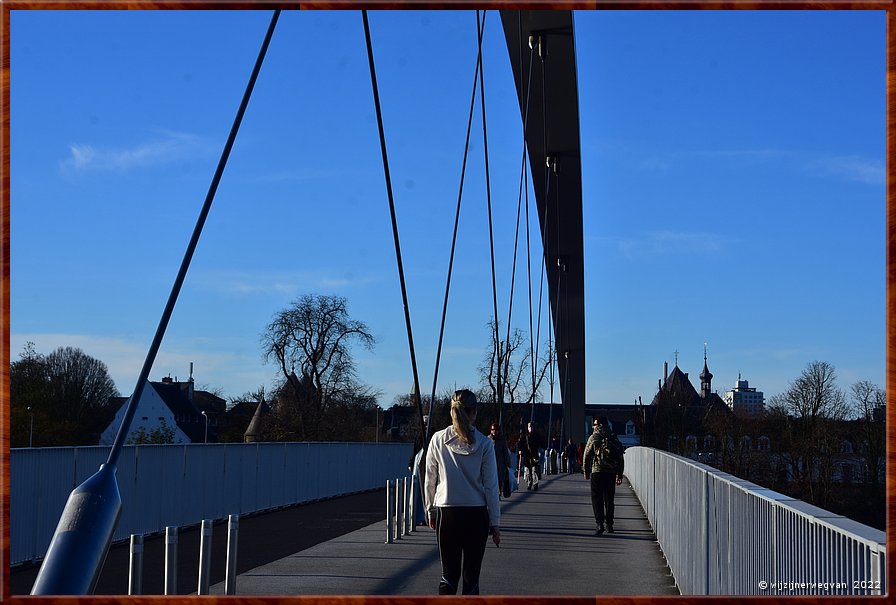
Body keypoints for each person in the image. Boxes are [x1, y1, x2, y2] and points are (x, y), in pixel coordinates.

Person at [424, 389, 501, 595]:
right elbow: (491, 486)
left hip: (447, 513)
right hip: (476, 514)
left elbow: (430, 479)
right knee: (471, 578)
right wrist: (495, 522)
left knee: (448, 575)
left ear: (452, 412)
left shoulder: (438, 440)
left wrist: (430, 510)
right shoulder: (485, 444)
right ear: (474, 412)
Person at [583, 416, 625, 535]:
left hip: (597, 471)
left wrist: (586, 471)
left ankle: (599, 524)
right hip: (610, 472)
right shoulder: (613, 437)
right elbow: (620, 457)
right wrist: (619, 475)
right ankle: (610, 525)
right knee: (609, 499)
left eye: (595, 424)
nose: (593, 427)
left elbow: (586, 455)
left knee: (597, 498)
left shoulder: (594, 437)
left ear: (599, 425)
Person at [488, 422, 512, 498]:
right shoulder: (488, 440)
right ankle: (492, 493)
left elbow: (505, 452)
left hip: (500, 464)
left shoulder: (502, 440)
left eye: (496, 430)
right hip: (490, 464)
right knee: (491, 480)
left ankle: (498, 493)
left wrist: (508, 463)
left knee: (499, 479)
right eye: (493, 430)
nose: (494, 431)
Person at [518, 421, 541, 490]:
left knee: (534, 470)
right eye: (529, 426)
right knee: (528, 471)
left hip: (534, 455)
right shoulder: (524, 436)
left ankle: (535, 483)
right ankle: (529, 483)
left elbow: (539, 443)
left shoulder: (536, 436)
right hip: (527, 455)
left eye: (531, 426)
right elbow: (520, 444)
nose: (530, 428)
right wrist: (520, 450)